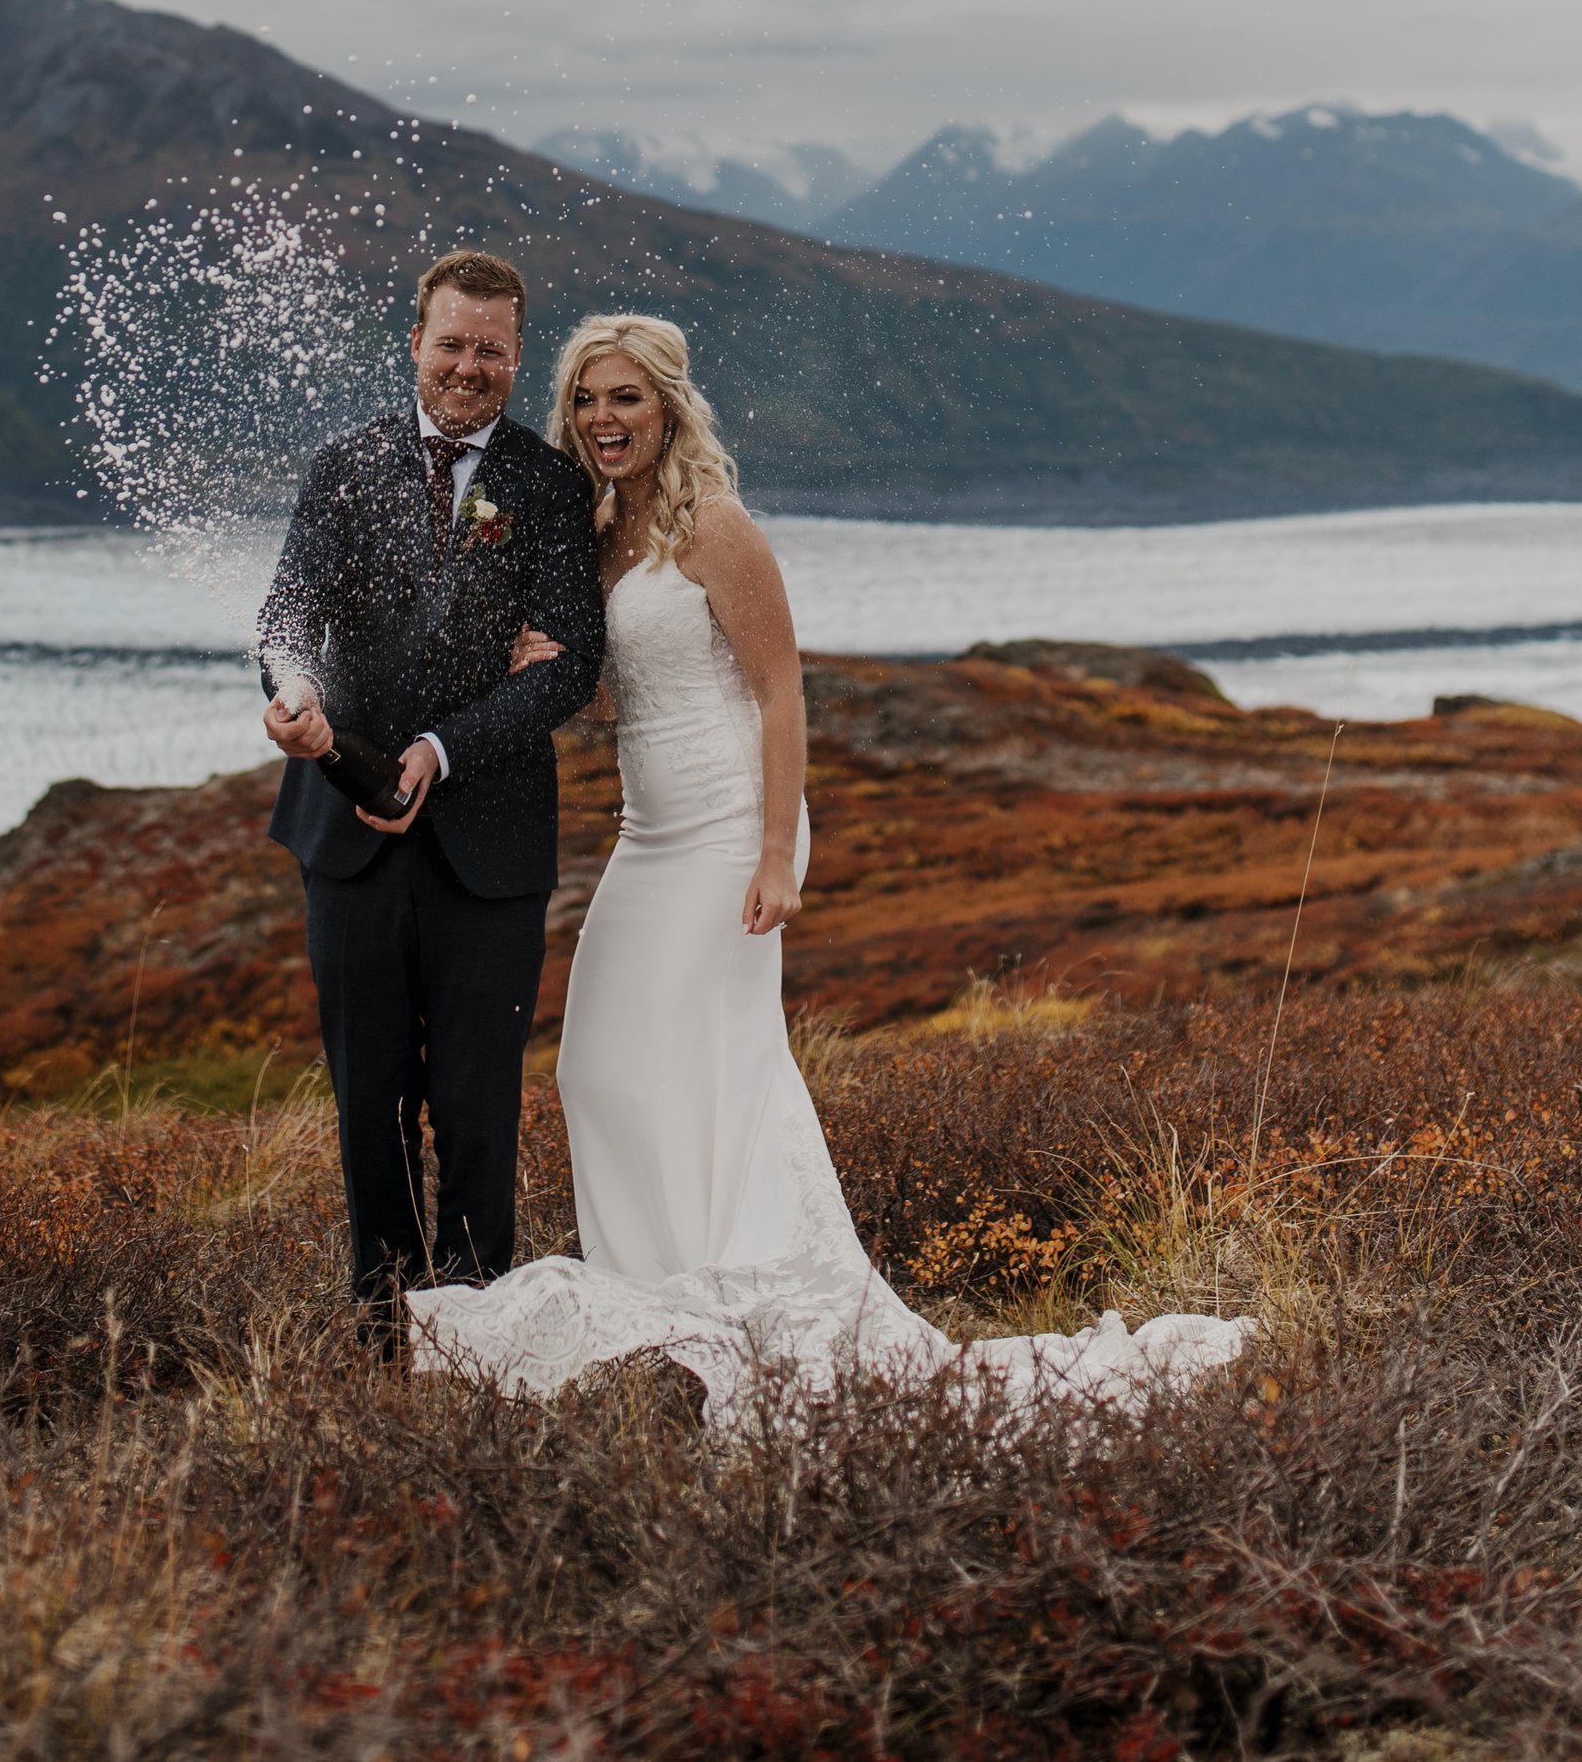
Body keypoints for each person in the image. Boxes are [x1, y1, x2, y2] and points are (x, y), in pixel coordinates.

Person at [408, 314, 1252, 1425]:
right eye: (588, 401)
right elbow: (634, 675)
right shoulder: (601, 527)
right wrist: (553, 660)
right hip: (648, 830)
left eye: (627, 398)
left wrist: (774, 851)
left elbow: (779, 691)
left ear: (668, 406)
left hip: (728, 828)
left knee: (718, 1059)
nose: (605, 420)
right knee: (599, 1066)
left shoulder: (716, 527)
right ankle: (669, 1295)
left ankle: (747, 1285)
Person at [257, 249, 605, 1345]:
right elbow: (287, 610)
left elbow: (569, 662)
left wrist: (441, 751)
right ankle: (380, 1334)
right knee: (369, 1100)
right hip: (344, 831)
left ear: (516, 354)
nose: (468, 367)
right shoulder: (341, 464)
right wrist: (292, 689)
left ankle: (477, 1338)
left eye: (490, 350)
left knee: (477, 1102)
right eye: (450, 344)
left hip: (488, 840)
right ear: (415, 342)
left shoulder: (550, 486)